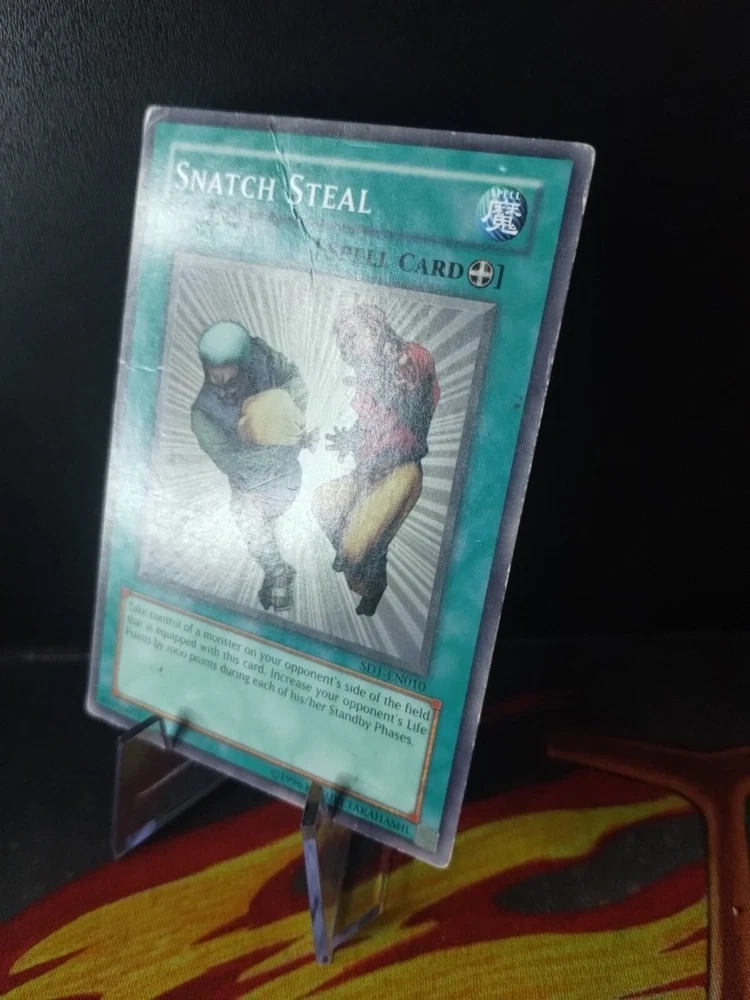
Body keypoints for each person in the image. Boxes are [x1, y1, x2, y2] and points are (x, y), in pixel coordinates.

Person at [312, 304, 440, 616]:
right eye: (342, 341)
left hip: (400, 471)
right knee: (322, 500)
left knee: (355, 548)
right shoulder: (365, 378)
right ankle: (366, 561)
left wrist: (393, 376)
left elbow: (415, 398)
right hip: (366, 473)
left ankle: (367, 570)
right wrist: (350, 438)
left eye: (352, 335)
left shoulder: (412, 357)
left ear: (376, 329)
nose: (346, 345)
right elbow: (370, 424)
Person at [191, 321, 313, 612]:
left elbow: (297, 385)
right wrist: (279, 441)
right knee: (247, 517)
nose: (223, 393)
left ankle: (276, 572)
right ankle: (277, 572)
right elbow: (231, 462)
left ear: (246, 367)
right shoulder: (203, 415)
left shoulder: (261, 356)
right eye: (214, 381)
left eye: (231, 381)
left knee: (262, 410)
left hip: (287, 477)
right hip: (249, 488)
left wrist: (274, 411)